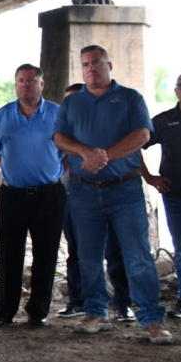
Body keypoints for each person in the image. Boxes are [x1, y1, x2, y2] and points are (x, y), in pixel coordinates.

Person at [53, 45, 172, 344]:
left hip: (125, 190)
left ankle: (151, 319)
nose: (91, 68)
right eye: (85, 65)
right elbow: (59, 137)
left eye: (96, 63)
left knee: (138, 256)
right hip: (83, 191)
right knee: (88, 257)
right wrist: (83, 151)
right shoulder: (72, 103)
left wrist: (104, 156)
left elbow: (143, 135)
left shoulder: (130, 98)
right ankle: (96, 313)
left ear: (109, 65)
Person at [0, 64, 65, 328]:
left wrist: (48, 172)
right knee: (9, 254)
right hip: (13, 196)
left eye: (31, 80)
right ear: (15, 84)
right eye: (21, 81)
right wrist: (16, 173)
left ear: (41, 84)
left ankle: (38, 311)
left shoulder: (57, 113)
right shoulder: (3, 114)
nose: (26, 85)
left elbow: (66, 153)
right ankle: (4, 312)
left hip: (49, 195)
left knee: (46, 254)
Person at [57, 83, 133, 321]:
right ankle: (78, 301)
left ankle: (123, 303)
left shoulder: (98, 131)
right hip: (70, 198)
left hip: (104, 194)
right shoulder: (63, 133)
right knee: (76, 253)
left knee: (114, 250)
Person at [141, 70, 181, 318]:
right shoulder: (164, 120)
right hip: (177, 196)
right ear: (176, 91)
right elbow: (135, 145)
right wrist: (149, 177)